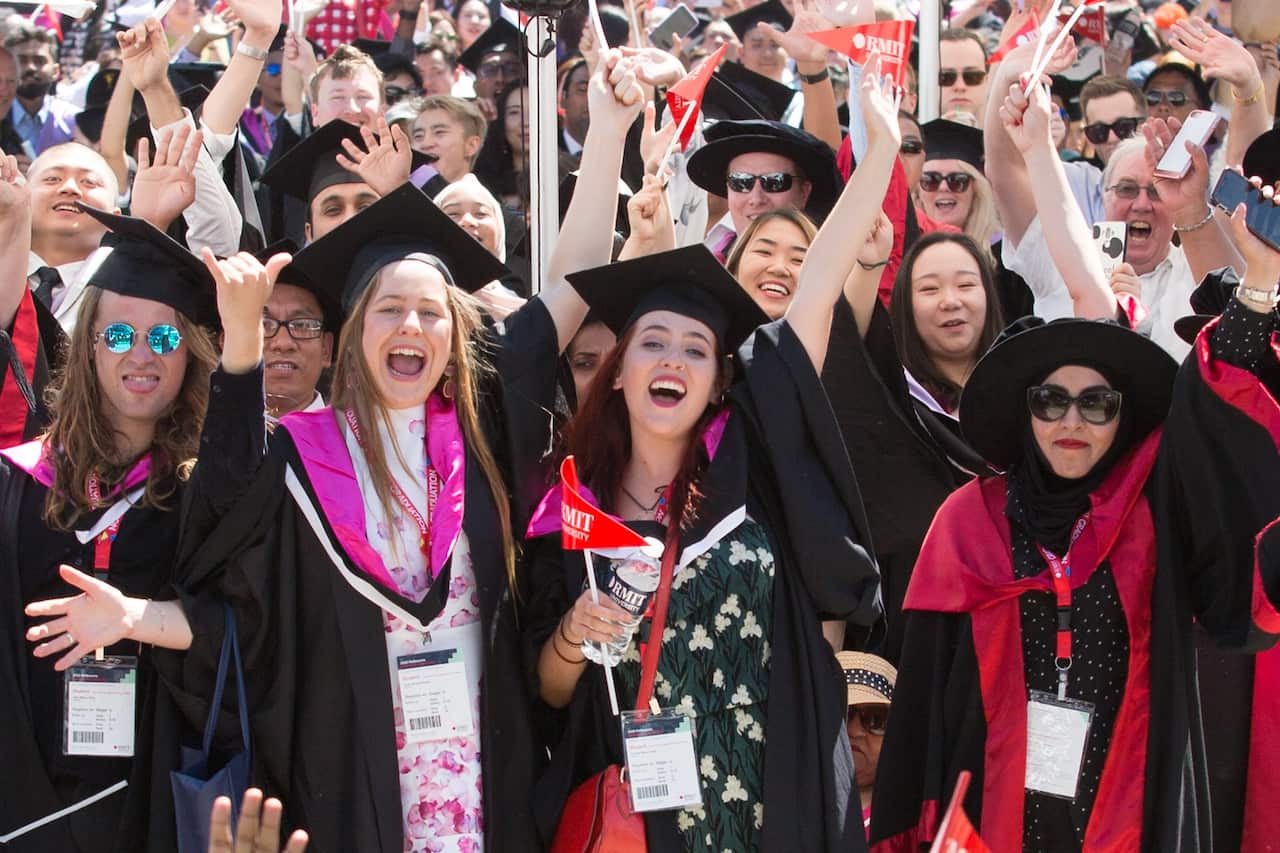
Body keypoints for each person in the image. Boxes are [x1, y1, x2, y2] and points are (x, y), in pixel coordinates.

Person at [26, 50, 652, 851]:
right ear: (351, 335)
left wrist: (607, 129)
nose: (412, 328)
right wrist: (136, 617)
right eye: (389, 309)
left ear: (456, 336)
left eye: (432, 313)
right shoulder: (295, 461)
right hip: (350, 798)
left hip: (484, 794)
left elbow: (574, 286)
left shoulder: (483, 434)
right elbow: (245, 617)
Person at [524, 53, 898, 852]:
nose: (671, 360)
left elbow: (819, 286)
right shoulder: (572, 505)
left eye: (695, 348)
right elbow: (548, 690)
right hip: (638, 817)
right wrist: (571, 634)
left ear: (719, 376)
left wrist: (883, 152)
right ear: (616, 371)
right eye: (650, 342)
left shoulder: (750, 456)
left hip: (770, 794)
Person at [2, 201, 280, 852]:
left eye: (165, 337)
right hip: (29, 798)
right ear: (89, 346)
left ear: (192, 353)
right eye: (119, 336)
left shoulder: (202, 490)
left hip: (158, 796)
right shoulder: (20, 483)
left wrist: (135, 617)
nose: (142, 357)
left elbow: (250, 623)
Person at [687, 119, 841, 260]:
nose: (756, 199)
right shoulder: (706, 266)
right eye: (740, 182)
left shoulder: (831, 272)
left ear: (803, 193)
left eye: (774, 182)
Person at [835, 651, 895, 837]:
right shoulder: (784, 808)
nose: (854, 731)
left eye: (876, 720)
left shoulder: (907, 830)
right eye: (843, 715)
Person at [5, 25, 77, 155]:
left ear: (55, 71)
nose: (30, 67)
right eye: (21, 60)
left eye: (39, 60)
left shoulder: (74, 122)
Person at [472, 81, 528, 213]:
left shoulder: (568, 171)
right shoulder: (480, 183)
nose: (525, 122)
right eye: (514, 112)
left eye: (536, 110)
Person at [409, 94, 486, 183]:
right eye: (418, 136)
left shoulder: (475, 196)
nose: (426, 144)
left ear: (471, 145)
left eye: (439, 132)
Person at [938, 28, 990, 127]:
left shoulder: (1012, 138)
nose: (960, 86)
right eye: (946, 78)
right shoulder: (907, 138)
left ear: (986, 81)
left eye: (972, 77)